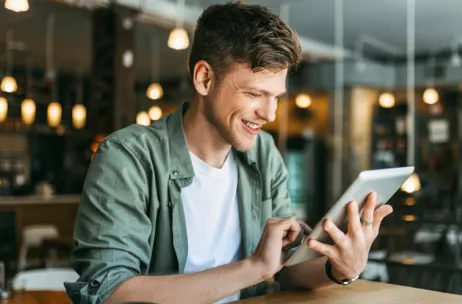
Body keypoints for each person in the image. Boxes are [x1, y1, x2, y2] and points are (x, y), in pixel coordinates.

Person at [65, 2, 393, 303]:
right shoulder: (127, 157)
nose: (269, 114)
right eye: (254, 93)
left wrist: (338, 268)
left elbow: (285, 269)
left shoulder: (264, 153)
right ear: (205, 78)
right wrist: (252, 268)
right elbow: (107, 292)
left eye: (275, 97)